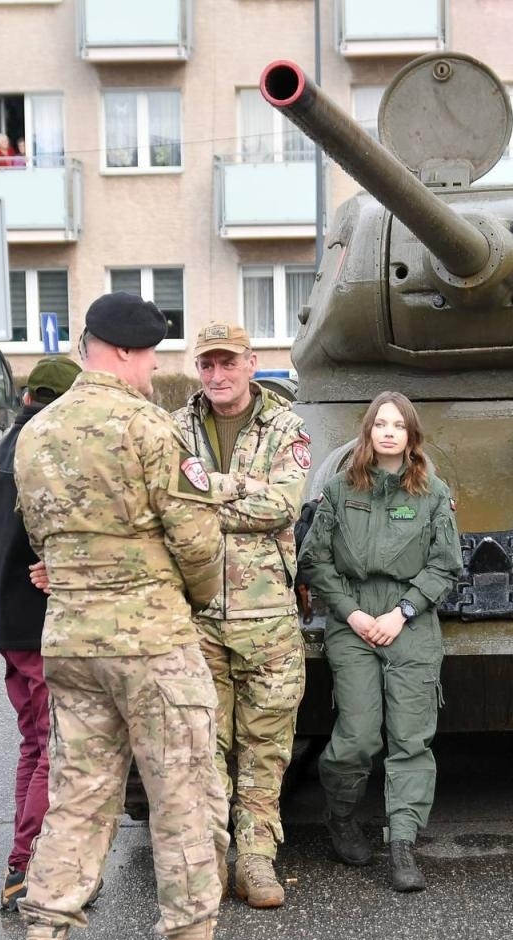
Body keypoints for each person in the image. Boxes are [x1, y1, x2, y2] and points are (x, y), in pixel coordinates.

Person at [12, 291, 277, 940]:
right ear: (130, 353)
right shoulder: (148, 427)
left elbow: (40, 538)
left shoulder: (38, 432)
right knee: (186, 796)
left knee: (77, 798)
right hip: (153, 641)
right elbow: (196, 540)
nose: (151, 367)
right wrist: (182, 596)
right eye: (151, 355)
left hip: (69, 638)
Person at [298, 391, 463, 893]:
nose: (389, 432)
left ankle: (403, 844)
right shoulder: (340, 488)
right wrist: (349, 613)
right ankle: (341, 816)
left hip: (410, 619)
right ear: (368, 432)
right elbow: (314, 559)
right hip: (351, 617)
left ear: (412, 436)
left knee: (411, 739)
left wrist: (403, 611)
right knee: (359, 736)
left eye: (399, 425)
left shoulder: (432, 492)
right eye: (380, 424)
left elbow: (446, 564)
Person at [175, 322, 310, 909]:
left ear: (252, 364)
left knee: (265, 745)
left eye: (228, 363)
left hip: (268, 618)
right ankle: (208, 861)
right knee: (202, 746)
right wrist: (241, 492)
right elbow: (167, 508)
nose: (218, 375)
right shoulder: (175, 428)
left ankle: (255, 860)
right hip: (197, 615)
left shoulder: (286, 426)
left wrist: (207, 490)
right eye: (207, 365)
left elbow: (283, 503)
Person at [0, 357, 82, 911]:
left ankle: (19, 864)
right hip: (42, 626)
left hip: (9, 626)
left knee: (33, 743)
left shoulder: (7, 443)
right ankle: (29, 867)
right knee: (54, 748)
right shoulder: (44, 450)